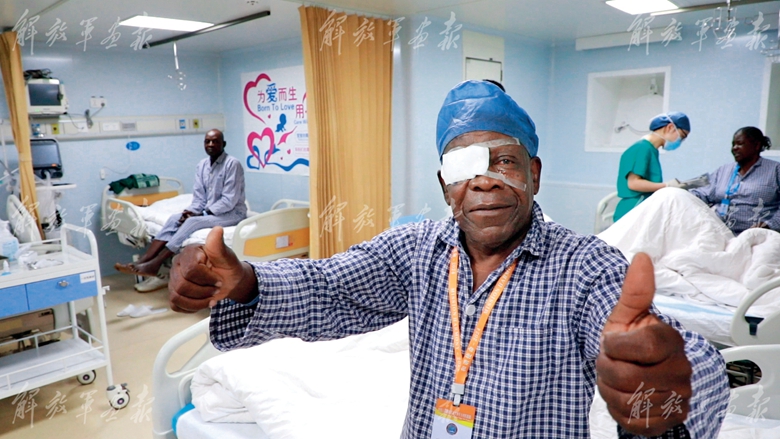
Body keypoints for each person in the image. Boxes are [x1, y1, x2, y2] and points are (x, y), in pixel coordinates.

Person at [169, 81, 728, 438]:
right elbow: (328, 286)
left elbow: (679, 356)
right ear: (445, 186)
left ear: (533, 174)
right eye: (464, 168)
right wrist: (243, 281)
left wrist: (665, 388)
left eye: (503, 161)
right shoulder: (416, 250)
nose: (484, 181)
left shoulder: (584, 268)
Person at [115, 129, 247, 277]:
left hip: (231, 213)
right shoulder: (202, 165)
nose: (210, 144)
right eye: (207, 141)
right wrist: (190, 211)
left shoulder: (232, 164)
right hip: (210, 212)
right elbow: (199, 197)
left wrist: (201, 214)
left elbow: (228, 200)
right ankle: (144, 260)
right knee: (175, 219)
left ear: (223, 144)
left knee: (192, 222)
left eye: (215, 141)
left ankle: (155, 264)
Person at [690, 127, 780, 235]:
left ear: (756, 145)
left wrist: (770, 225)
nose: (734, 148)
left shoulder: (775, 170)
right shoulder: (723, 170)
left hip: (759, 236)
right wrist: (682, 194)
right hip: (720, 233)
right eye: (733, 144)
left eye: (740, 144)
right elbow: (703, 194)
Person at [614, 112, 690, 222]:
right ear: (670, 127)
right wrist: (667, 185)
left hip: (641, 207)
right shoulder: (642, 148)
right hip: (633, 209)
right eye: (682, 136)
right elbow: (633, 183)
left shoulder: (651, 150)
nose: (681, 141)